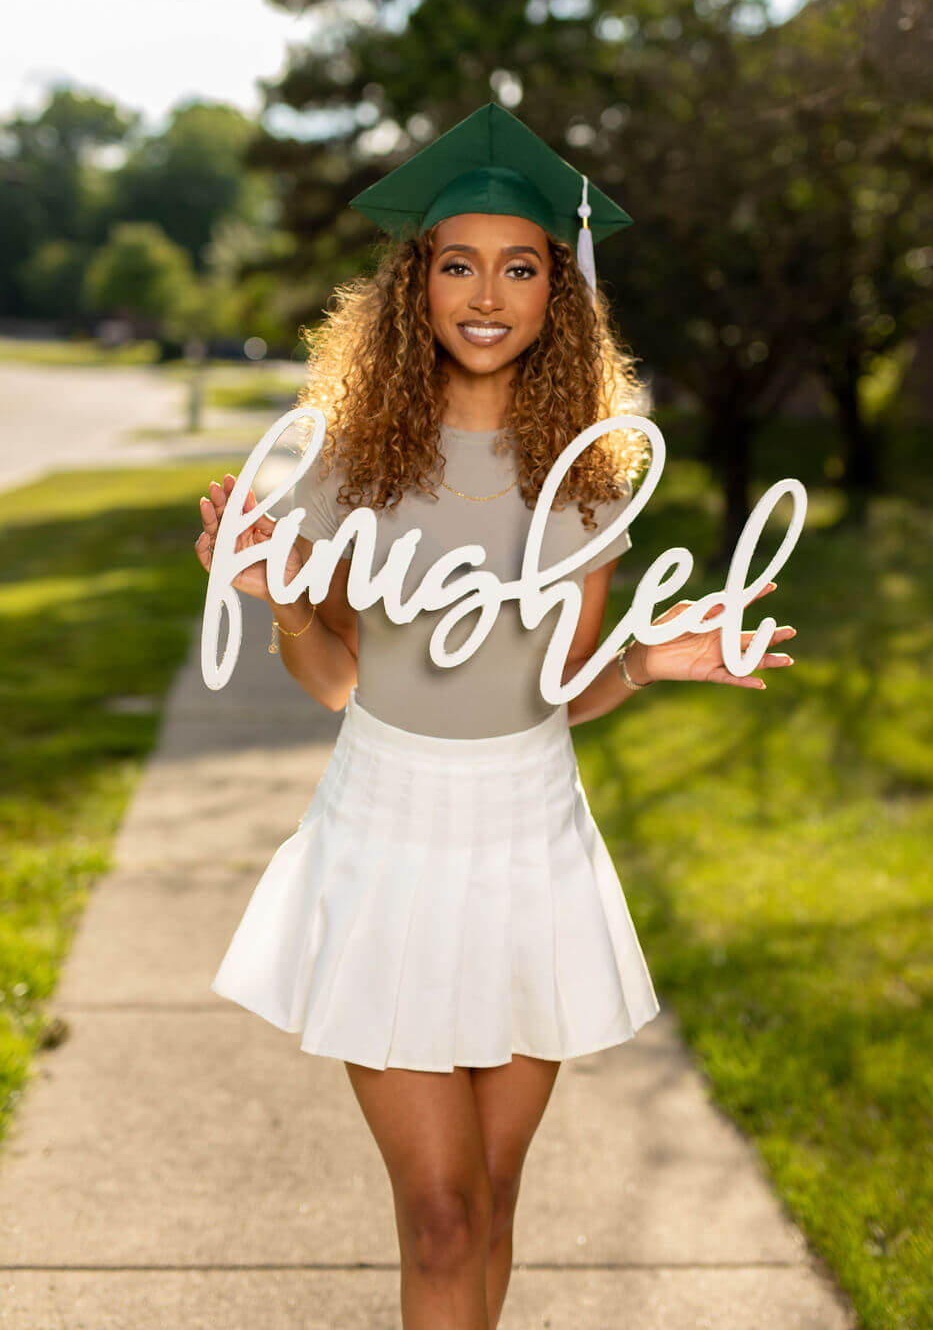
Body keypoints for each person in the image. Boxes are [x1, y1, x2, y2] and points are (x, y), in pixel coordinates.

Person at [193, 101, 796, 1330]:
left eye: (520, 266)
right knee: (441, 1212)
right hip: (388, 831)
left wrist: (649, 661)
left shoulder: (591, 478)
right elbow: (340, 679)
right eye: (456, 263)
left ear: (555, 291)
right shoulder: (348, 463)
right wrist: (286, 601)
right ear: (414, 285)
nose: (487, 293)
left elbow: (554, 695)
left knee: (496, 1196)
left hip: (529, 840)